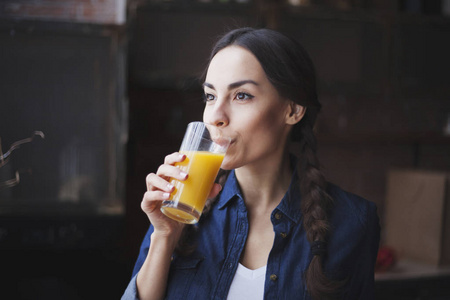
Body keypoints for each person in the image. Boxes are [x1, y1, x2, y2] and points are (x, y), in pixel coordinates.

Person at [122, 27, 380, 300]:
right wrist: (164, 236)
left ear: (292, 110)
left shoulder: (352, 221)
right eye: (210, 96)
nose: (216, 117)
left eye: (241, 95)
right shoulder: (181, 202)